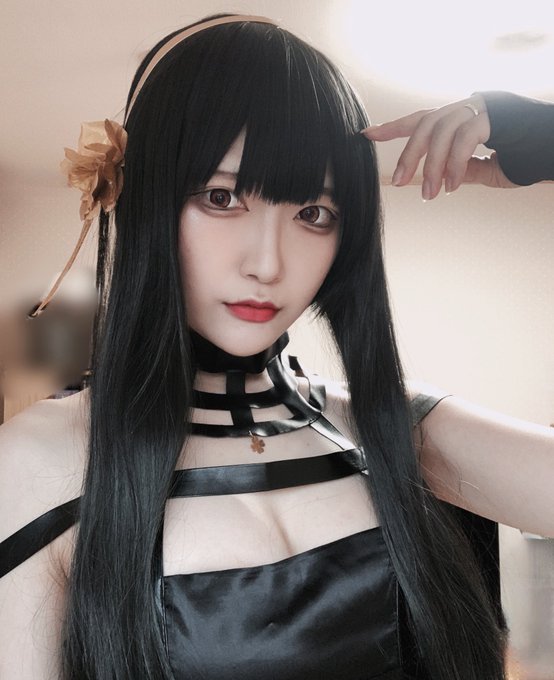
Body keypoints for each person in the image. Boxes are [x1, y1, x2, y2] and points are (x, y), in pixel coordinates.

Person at [0, 13, 552, 680]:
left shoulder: (390, 428)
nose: (268, 263)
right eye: (221, 197)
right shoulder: (42, 458)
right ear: (146, 198)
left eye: (313, 214)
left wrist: (546, 139)